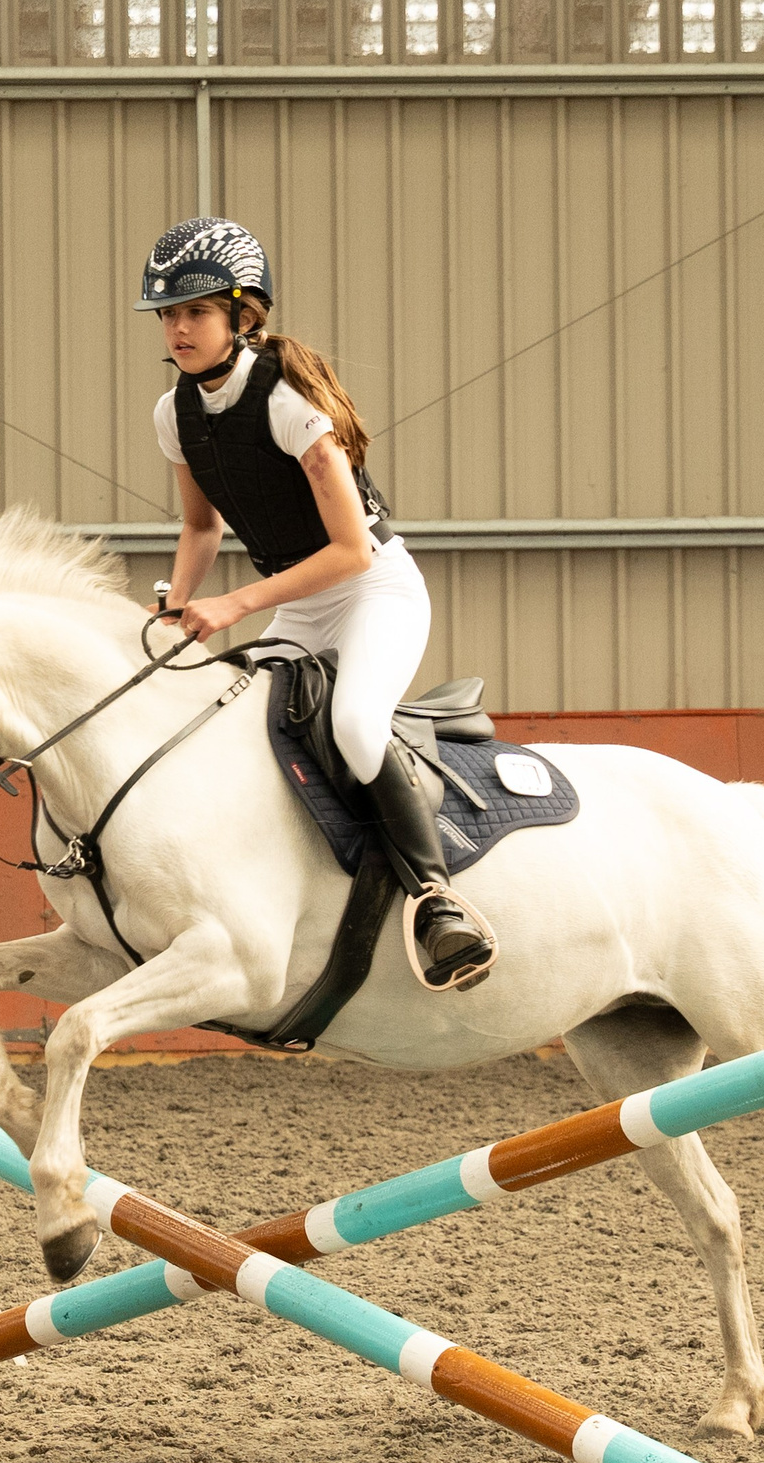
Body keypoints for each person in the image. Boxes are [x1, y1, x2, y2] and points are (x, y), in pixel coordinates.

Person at [137, 216, 495, 993]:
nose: (178, 328)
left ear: (244, 314)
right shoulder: (175, 414)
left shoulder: (289, 401)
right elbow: (201, 525)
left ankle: (439, 900)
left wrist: (233, 606)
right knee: (232, 719)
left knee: (355, 725)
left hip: (373, 591)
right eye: (168, 315)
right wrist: (181, 608)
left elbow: (351, 552)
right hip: (299, 603)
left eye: (194, 311)